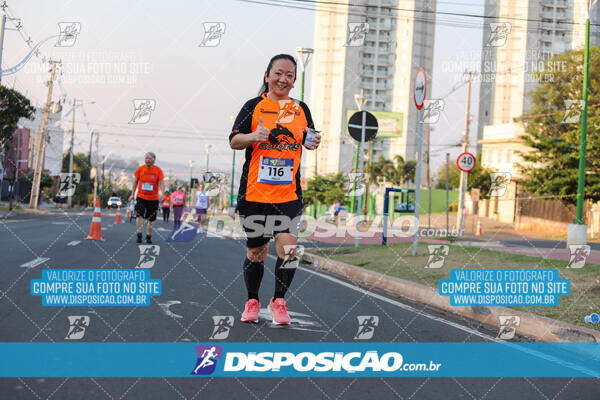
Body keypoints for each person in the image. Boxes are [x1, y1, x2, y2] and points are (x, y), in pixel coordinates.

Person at [229, 54, 321, 325]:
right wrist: (253, 137)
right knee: (257, 252)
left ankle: (279, 300)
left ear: (294, 81)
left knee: (289, 249)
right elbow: (234, 141)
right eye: (279, 73)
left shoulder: (301, 108)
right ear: (268, 75)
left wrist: (313, 141)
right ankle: (253, 300)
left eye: (289, 75)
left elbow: (309, 137)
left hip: (288, 194)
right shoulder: (253, 106)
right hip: (254, 193)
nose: (283, 78)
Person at [129, 152, 164, 244]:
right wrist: (132, 194)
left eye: (149, 158)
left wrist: (163, 194)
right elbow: (135, 182)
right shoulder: (140, 169)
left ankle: (148, 236)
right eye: (146, 158)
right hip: (141, 197)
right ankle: (139, 234)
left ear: (154, 160)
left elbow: (161, 183)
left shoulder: (158, 170)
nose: (147, 160)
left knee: (151, 219)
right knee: (139, 215)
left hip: (153, 198)